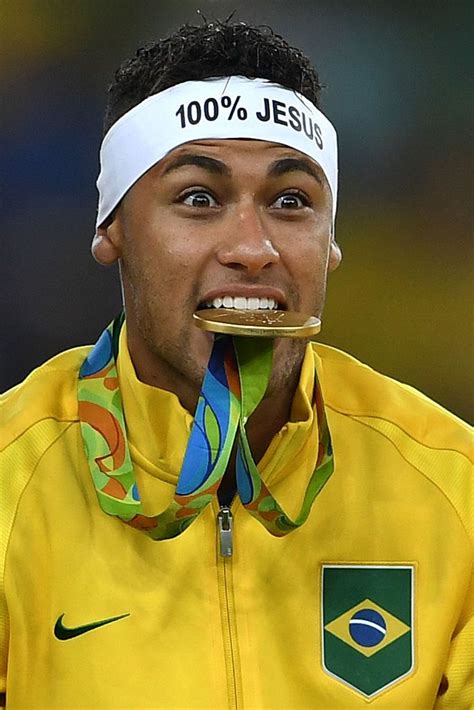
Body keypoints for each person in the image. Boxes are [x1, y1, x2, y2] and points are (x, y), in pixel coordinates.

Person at [0, 20, 472, 710]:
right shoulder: (10, 483)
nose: (253, 248)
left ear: (331, 244)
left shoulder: (455, 490)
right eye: (199, 198)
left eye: (291, 202)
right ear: (113, 231)